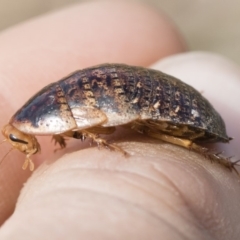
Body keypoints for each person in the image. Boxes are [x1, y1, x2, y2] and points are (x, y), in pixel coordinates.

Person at [0, 1, 239, 239]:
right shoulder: (61, 104)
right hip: (149, 95)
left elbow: (82, 124)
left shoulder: (64, 106)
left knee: (165, 134)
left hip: (170, 106)